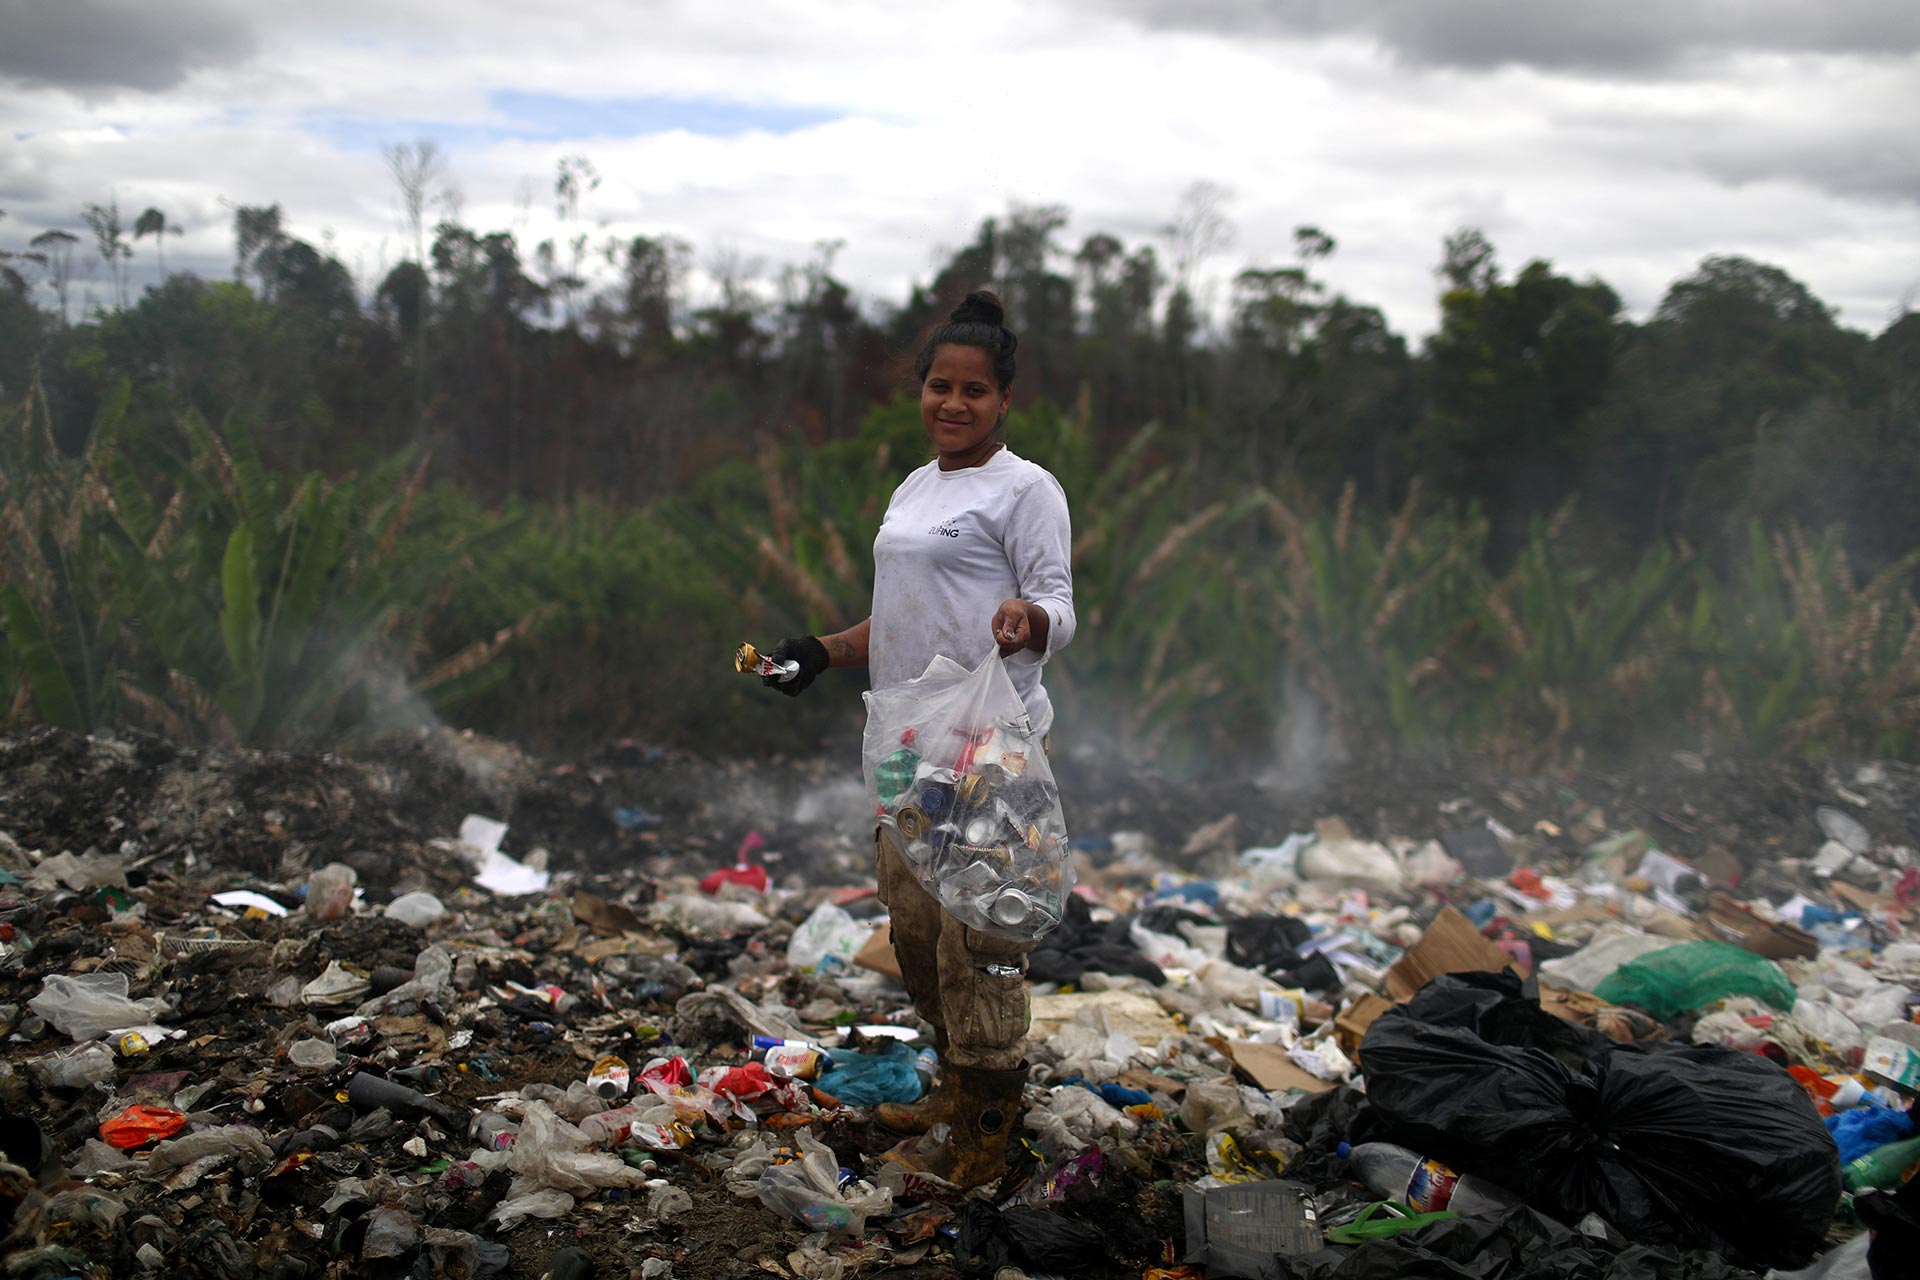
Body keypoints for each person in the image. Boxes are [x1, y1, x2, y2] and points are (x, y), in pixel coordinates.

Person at [759, 290, 1076, 1188]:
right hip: (907, 750)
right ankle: (950, 1088)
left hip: (990, 752)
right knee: (914, 927)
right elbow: (898, 618)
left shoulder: (1026, 489)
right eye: (941, 386)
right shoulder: (915, 487)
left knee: (977, 945)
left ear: (1004, 400)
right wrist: (820, 653)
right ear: (923, 390)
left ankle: (983, 1133)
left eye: (975, 391)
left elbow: (1060, 605)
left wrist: (1026, 619)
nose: (954, 404)